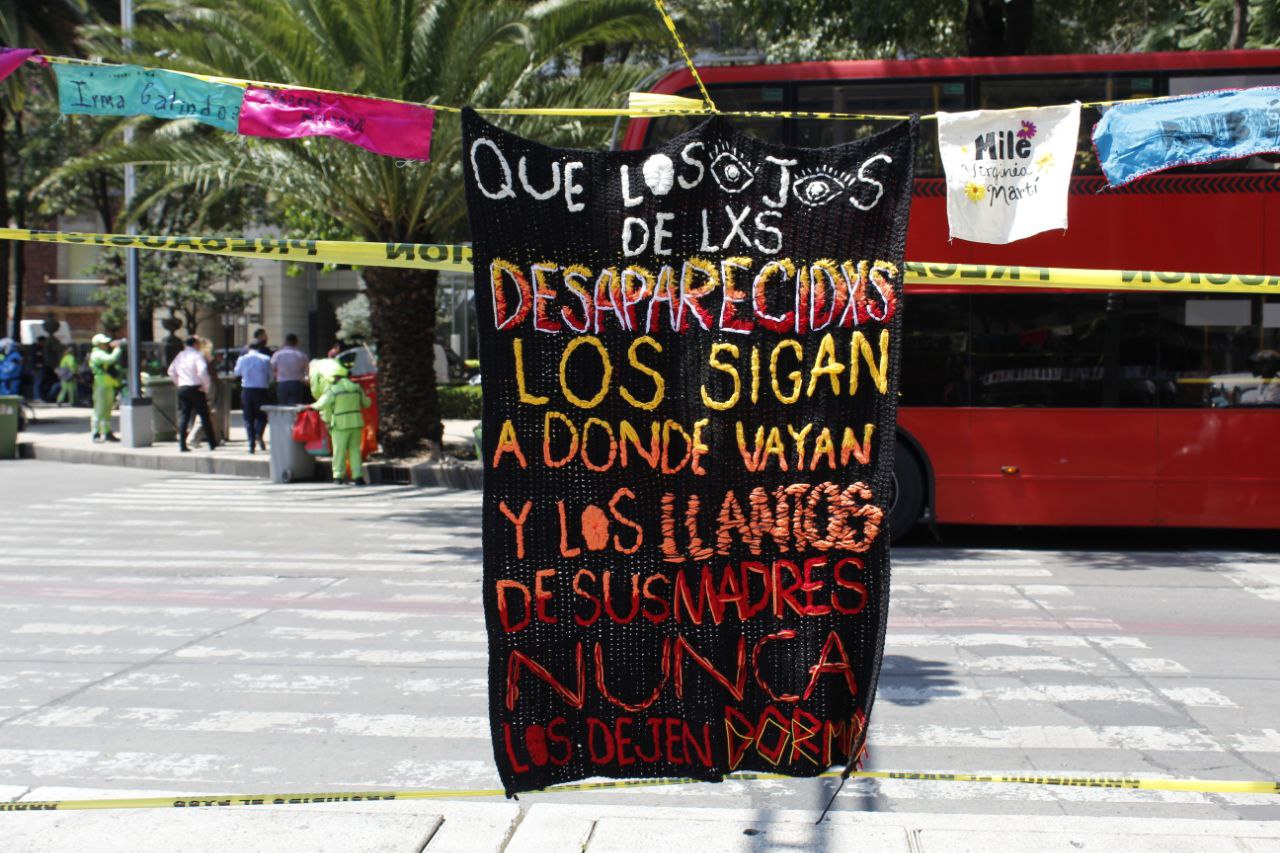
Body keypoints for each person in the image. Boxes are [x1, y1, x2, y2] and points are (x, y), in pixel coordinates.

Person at [311, 361, 371, 485]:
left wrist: (309, 407)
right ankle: (358, 477)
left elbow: (321, 404)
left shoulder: (334, 390)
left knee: (339, 451)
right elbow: (367, 403)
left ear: (335, 378)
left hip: (340, 425)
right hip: (356, 423)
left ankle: (338, 477)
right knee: (355, 450)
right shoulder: (357, 388)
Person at [168, 336, 216, 452]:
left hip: (183, 387)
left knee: (184, 416)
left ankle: (182, 444)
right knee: (204, 415)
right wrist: (206, 386)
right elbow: (202, 371)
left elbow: (171, 371)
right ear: (195, 344)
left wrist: (178, 383)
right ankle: (212, 443)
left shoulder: (180, 355)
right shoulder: (197, 355)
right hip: (196, 387)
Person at [233, 340, 271, 453]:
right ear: (259, 347)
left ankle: (251, 443)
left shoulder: (242, 359)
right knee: (262, 416)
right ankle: (258, 433)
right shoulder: (265, 358)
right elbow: (271, 375)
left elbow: (237, 373)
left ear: (249, 348)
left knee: (248, 418)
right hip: (261, 390)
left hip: (247, 389)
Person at [87, 334, 124, 442]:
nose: (106, 345)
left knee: (107, 410)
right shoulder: (97, 354)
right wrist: (117, 348)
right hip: (101, 385)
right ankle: (96, 433)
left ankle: (107, 432)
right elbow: (110, 359)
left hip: (108, 384)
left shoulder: (101, 352)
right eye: (103, 343)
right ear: (98, 344)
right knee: (99, 410)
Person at [270, 333, 310, 405]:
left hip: (282, 383)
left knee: (283, 406)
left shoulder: (277, 354)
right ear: (296, 342)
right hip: (297, 383)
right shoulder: (301, 355)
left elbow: (271, 368)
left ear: (285, 342)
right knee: (296, 407)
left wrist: (275, 376)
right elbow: (307, 371)